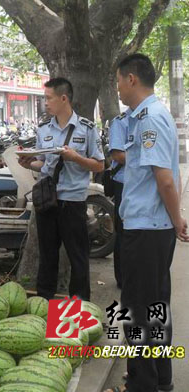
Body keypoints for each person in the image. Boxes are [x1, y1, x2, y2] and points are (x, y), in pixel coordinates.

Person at [104, 54, 189, 392]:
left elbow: (164, 179)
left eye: (119, 82)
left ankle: (142, 384)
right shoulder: (151, 116)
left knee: (137, 310)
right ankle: (159, 378)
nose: (118, 89)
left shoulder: (150, 119)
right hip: (154, 228)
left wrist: (177, 219)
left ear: (131, 79)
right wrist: (174, 220)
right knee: (155, 307)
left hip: (145, 229)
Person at [18, 77, 104, 301]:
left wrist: (75, 157)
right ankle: (44, 306)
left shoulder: (86, 129)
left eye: (49, 98)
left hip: (73, 201)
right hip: (48, 200)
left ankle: (79, 309)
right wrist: (29, 162)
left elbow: (99, 165)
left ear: (63, 98)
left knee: (78, 257)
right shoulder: (44, 129)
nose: (45, 103)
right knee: (47, 257)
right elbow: (43, 164)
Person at [108, 108, 131, 289]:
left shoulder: (149, 118)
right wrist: (144, 158)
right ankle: (123, 279)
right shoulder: (120, 121)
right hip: (124, 184)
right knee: (123, 231)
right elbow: (117, 154)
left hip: (144, 184)